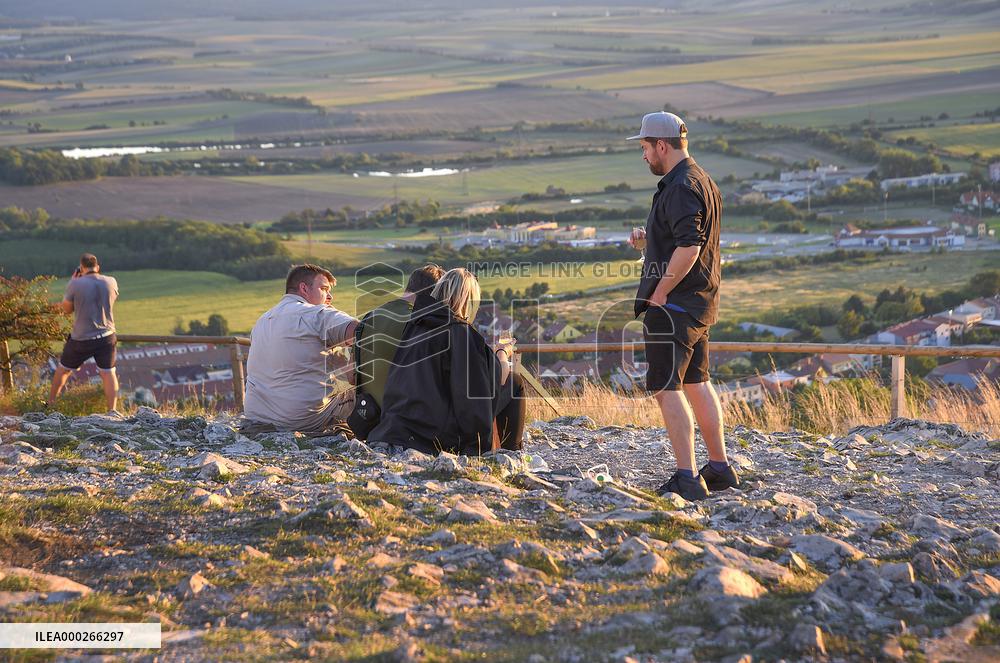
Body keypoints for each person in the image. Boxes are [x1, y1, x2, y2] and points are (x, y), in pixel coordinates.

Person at [626, 111, 739, 500]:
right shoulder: (702, 179)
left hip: (673, 306)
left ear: (661, 145)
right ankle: (720, 468)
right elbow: (687, 239)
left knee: (666, 388)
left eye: (644, 148)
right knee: (697, 383)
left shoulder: (677, 187)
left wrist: (660, 293)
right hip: (701, 302)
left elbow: (690, 246)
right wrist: (650, 241)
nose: (643, 156)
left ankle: (687, 477)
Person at [368, 268, 525, 456]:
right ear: (467, 300)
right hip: (431, 435)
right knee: (515, 383)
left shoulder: (415, 326)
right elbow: (477, 395)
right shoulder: (460, 332)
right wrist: (501, 352)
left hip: (394, 429)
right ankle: (513, 455)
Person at [243, 264, 359, 432]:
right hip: (304, 419)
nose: (330, 296)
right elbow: (362, 331)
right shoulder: (316, 314)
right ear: (304, 288)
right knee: (373, 390)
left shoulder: (262, 321)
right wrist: (352, 371)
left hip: (257, 418)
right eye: (324, 289)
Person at [350, 264, 445, 439]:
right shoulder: (421, 322)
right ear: (436, 294)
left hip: (368, 420)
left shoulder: (369, 317)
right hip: (405, 426)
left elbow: (353, 376)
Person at [48, 253, 120, 414]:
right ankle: (112, 411)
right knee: (108, 373)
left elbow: (67, 310)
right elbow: (111, 300)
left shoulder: (76, 284)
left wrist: (74, 281)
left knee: (63, 369)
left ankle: (51, 403)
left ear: (81, 268)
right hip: (107, 335)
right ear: (97, 267)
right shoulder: (111, 281)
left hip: (81, 337)